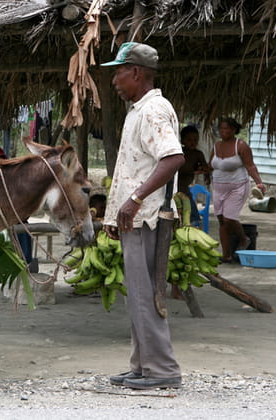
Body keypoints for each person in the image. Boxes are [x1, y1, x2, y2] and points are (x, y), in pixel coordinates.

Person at [100, 42, 185, 390]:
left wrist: (134, 199)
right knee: (137, 294)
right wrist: (113, 213)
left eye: (119, 72)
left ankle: (162, 369)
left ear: (136, 72)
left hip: (148, 217)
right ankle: (142, 365)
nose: (115, 80)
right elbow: (133, 167)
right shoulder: (139, 110)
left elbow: (173, 158)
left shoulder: (152, 110)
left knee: (146, 294)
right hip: (134, 218)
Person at [209, 117, 266, 263]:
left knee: (229, 218)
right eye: (221, 128)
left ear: (234, 130)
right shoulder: (216, 146)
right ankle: (226, 255)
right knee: (222, 221)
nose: (223, 131)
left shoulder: (240, 146)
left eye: (227, 128)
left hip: (237, 187)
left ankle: (243, 238)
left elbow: (250, 166)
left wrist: (259, 183)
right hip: (218, 188)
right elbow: (210, 165)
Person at [177, 125, 210, 226]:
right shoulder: (179, 152)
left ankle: (192, 227)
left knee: (192, 212)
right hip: (176, 186)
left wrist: (206, 174)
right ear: (182, 140)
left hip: (185, 188)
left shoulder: (198, 154)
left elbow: (205, 167)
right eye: (189, 140)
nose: (193, 142)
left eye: (195, 140)